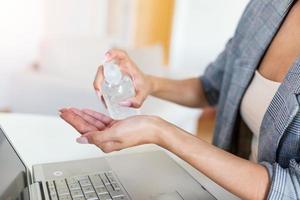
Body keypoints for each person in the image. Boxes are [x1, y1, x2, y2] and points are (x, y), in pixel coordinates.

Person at [59, 0, 300, 199]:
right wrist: (149, 83)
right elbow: (210, 87)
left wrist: (161, 132)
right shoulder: (268, 6)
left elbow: (292, 189)